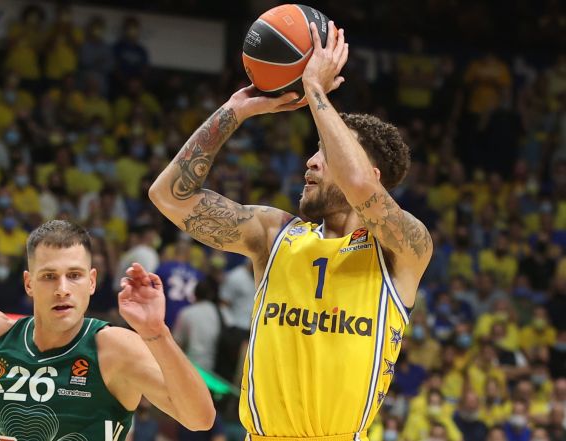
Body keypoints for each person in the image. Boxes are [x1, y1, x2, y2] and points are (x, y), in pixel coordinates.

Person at [149, 21, 432, 440]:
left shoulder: (403, 248)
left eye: (327, 153)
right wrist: (234, 111)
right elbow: (169, 196)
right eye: (315, 151)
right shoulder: (274, 234)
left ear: (374, 174)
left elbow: (358, 185)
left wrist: (314, 88)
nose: (311, 162)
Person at [0, 206, 214, 440]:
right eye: (49, 276)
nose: (62, 289)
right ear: (29, 283)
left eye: (74, 275)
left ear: (92, 282)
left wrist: (157, 333)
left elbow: (199, 419)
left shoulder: (113, 346)